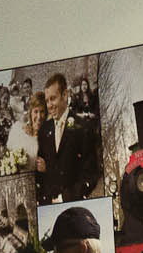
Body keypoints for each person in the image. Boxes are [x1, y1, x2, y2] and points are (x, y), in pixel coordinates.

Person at [37, 71, 100, 204]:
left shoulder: (83, 127)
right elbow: (42, 173)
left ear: (65, 95)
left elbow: (91, 174)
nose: (49, 105)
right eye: (47, 101)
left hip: (73, 204)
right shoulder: (44, 130)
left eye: (53, 99)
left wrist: (67, 197)